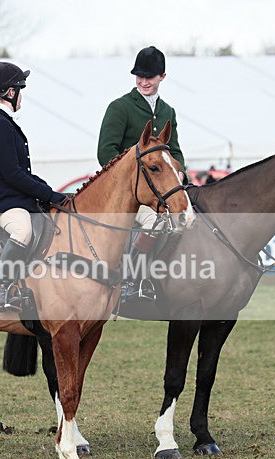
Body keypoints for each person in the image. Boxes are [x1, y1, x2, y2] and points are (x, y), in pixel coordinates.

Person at [0, 61, 67, 312]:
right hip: (0, 203)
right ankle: (2, 288)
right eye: (20, 90)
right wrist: (48, 194)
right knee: (22, 230)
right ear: (11, 93)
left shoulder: (4, 122)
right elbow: (13, 175)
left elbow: (23, 173)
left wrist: (52, 192)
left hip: (13, 198)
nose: (21, 96)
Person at [97, 46, 186, 301]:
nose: (144, 82)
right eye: (140, 76)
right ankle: (131, 280)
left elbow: (175, 153)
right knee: (154, 220)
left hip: (158, 189)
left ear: (162, 77)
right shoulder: (120, 107)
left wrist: (178, 175)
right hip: (125, 191)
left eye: (150, 77)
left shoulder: (168, 111)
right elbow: (105, 152)